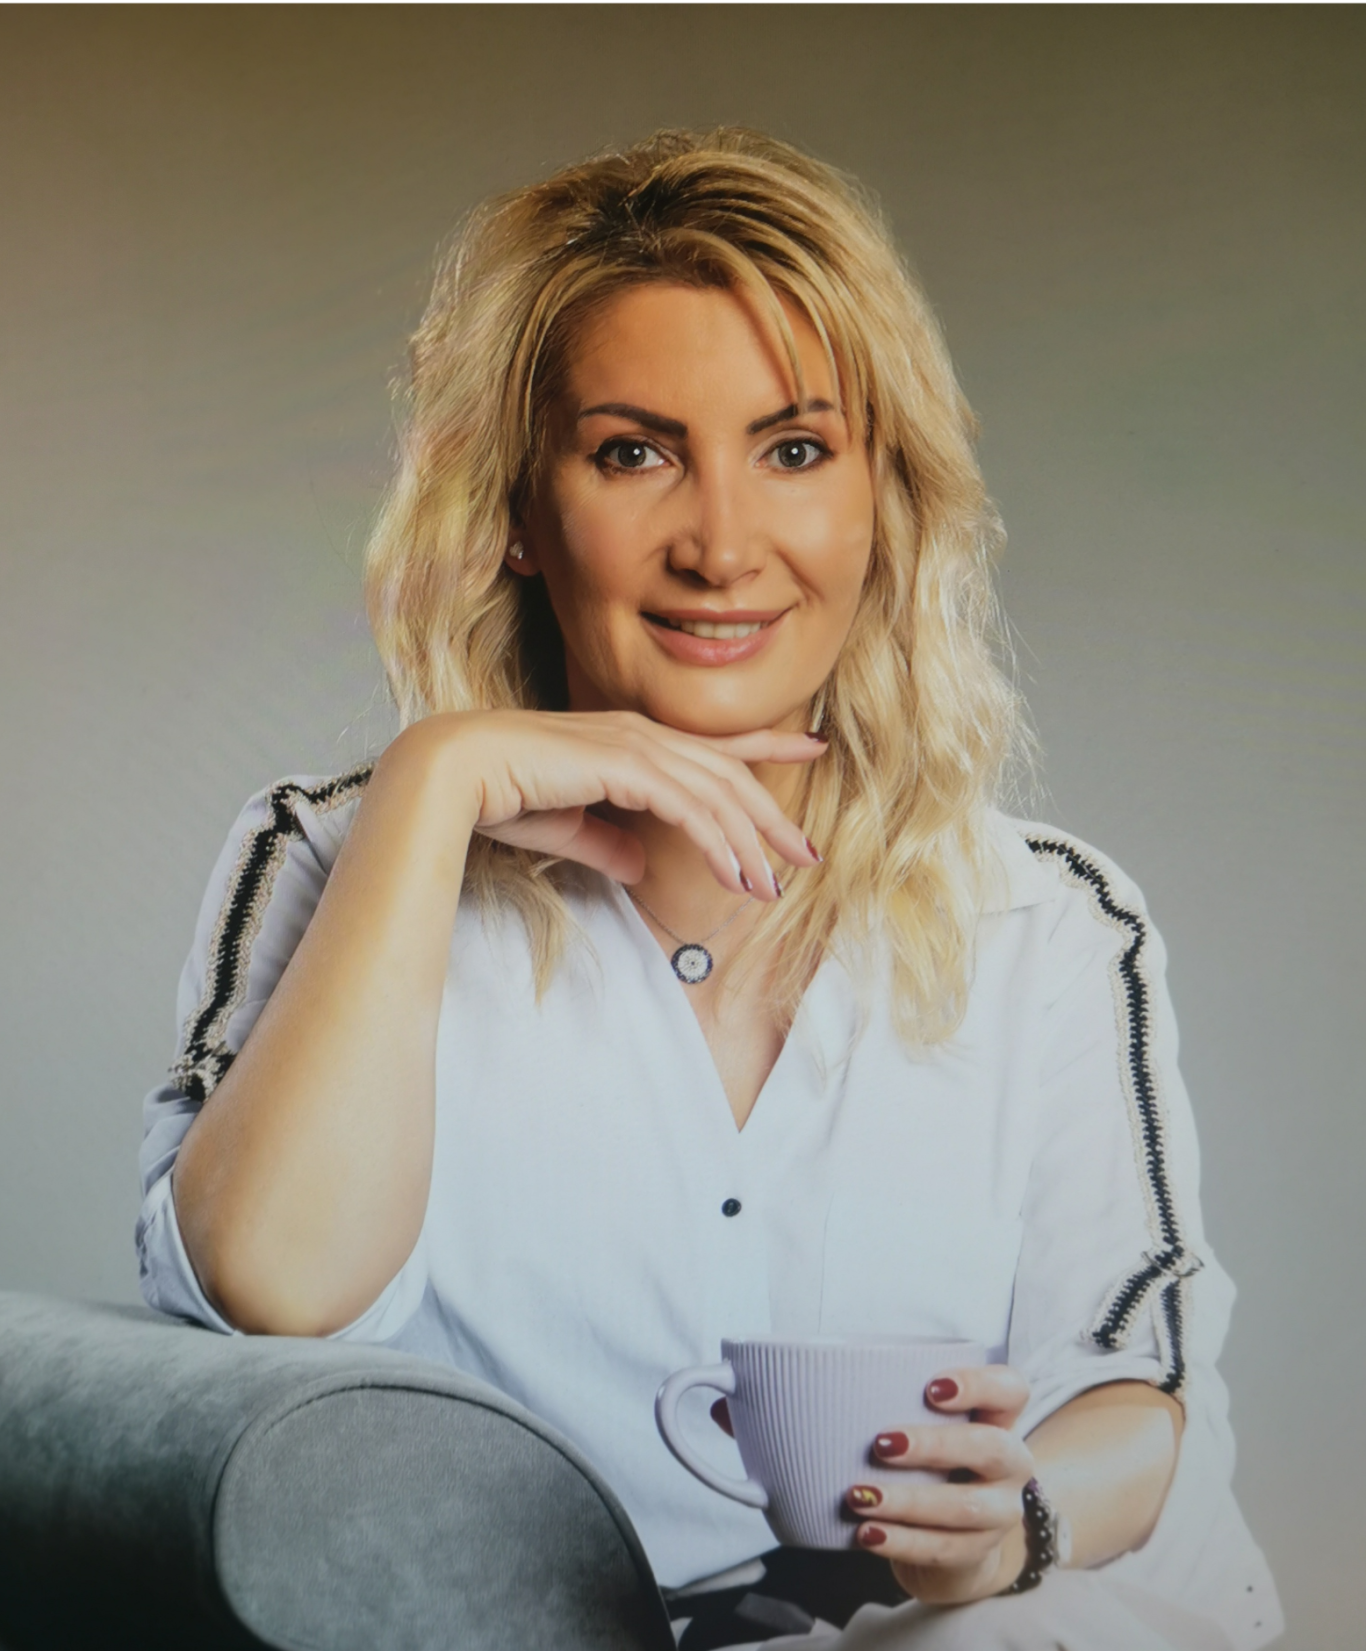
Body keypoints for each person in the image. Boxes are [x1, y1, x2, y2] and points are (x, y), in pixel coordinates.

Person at [136, 129, 1281, 1650]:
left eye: (794, 450)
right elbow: (272, 1290)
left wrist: (1019, 1520)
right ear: (517, 511)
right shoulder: (341, 854)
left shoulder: (1050, 921)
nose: (723, 547)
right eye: (635, 453)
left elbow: (1136, 1388)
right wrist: (436, 780)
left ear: (880, 500)